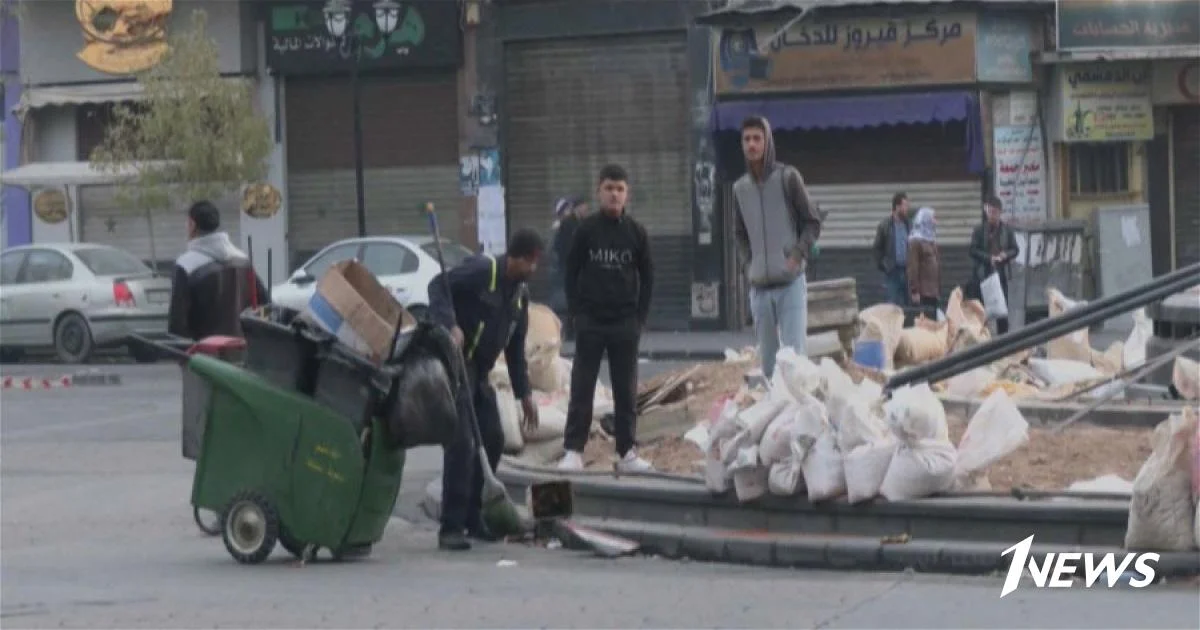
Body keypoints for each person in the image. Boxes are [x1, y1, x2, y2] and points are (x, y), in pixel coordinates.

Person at [428, 229, 544, 551]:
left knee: (493, 435)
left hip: (479, 371)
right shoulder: (483, 271)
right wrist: (449, 324)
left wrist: (525, 395)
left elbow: (516, 351)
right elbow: (438, 285)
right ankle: (450, 527)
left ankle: (472, 516)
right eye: (532, 262)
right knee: (462, 442)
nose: (534, 270)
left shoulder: (520, 297)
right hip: (453, 363)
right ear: (519, 258)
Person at [557, 164, 654, 472]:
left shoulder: (636, 233)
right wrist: (576, 312)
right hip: (591, 322)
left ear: (627, 195)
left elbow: (648, 277)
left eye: (620, 189)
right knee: (582, 387)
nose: (614, 194)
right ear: (599, 191)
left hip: (625, 323)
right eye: (609, 188)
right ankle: (573, 451)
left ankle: (627, 452)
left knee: (626, 390)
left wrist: (640, 318)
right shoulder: (585, 230)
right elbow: (570, 271)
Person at [731, 116, 823, 380]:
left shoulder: (788, 178)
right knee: (770, 367)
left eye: (757, 138)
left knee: (794, 363)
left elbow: (812, 222)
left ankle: (798, 419)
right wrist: (748, 265)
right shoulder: (739, 189)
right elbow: (739, 234)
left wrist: (797, 254)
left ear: (767, 141)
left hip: (790, 284)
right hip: (759, 289)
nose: (751, 144)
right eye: (746, 139)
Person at [167, 200, 266, 340]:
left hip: (204, 355)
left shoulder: (185, 265)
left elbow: (177, 322)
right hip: (242, 349)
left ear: (192, 224)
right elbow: (264, 304)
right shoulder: (242, 260)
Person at [969, 195, 1020, 335]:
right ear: (986, 211)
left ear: (1000, 212)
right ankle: (982, 341)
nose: (992, 215)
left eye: (995, 212)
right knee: (981, 312)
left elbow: (1015, 249)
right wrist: (988, 258)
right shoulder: (979, 230)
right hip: (982, 276)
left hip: (1001, 275)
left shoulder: (1007, 230)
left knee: (1002, 313)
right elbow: (972, 250)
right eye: (990, 212)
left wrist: (1005, 255)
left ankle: (1003, 344)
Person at [550, 196, 588, 338]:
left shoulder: (581, 223)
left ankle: (574, 329)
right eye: (583, 207)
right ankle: (568, 330)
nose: (586, 210)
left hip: (578, 267)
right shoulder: (567, 224)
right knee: (567, 299)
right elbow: (559, 246)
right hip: (567, 268)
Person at [872, 192, 912, 308]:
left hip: (907, 272)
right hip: (892, 272)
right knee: (891, 305)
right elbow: (877, 248)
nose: (907, 209)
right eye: (905, 206)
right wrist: (883, 265)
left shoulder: (909, 225)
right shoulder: (885, 225)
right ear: (897, 207)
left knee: (908, 305)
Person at [906, 207, 942, 320]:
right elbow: (913, 268)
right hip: (923, 293)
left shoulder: (931, 241)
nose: (936, 222)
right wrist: (914, 291)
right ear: (925, 220)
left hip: (933, 292)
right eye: (933, 219)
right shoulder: (915, 242)